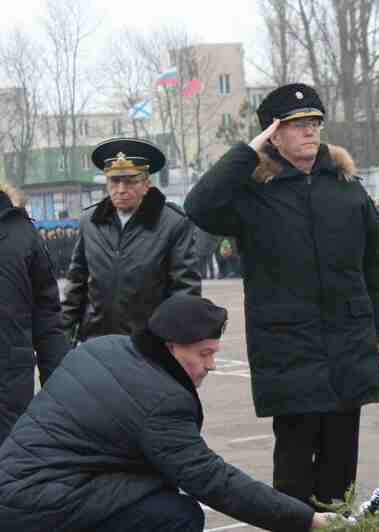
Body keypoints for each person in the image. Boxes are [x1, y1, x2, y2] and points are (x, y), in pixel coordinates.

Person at [184, 83, 379, 508]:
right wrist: (248, 152)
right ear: (273, 134)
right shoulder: (254, 193)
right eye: (297, 125)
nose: (310, 132)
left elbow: (374, 264)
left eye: (314, 123)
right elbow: (199, 205)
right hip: (288, 347)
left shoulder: (346, 188)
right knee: (294, 469)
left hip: (348, 343)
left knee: (340, 467)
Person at [0, 295, 337, 532]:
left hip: (13, 488)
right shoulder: (160, 401)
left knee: (159, 483)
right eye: (203, 354)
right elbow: (212, 480)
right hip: (38, 508)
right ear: (171, 346)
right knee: (176, 514)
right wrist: (305, 519)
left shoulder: (102, 347)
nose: (211, 365)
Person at [61, 138, 200, 342]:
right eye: (114, 181)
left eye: (130, 181)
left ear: (146, 184)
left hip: (149, 344)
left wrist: (177, 340)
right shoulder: (90, 221)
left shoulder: (173, 224)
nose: (120, 189)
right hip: (97, 340)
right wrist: (62, 335)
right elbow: (76, 282)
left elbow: (185, 290)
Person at [0, 181, 69, 445]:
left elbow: (47, 318)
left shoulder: (21, 233)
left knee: (11, 467)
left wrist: (59, 390)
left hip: (9, 388)